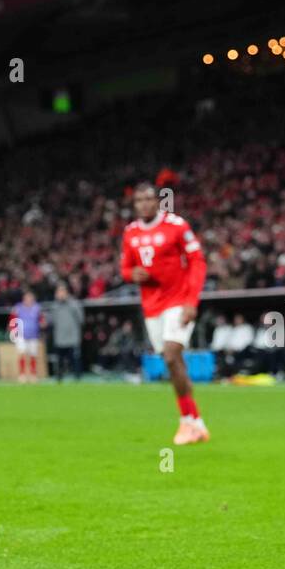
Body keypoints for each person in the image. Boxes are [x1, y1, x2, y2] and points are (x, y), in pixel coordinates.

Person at [120, 182, 209, 443]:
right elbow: (125, 267)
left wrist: (192, 301)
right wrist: (131, 275)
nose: (144, 204)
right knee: (174, 364)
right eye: (139, 200)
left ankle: (185, 423)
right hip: (152, 307)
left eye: (149, 199)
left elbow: (197, 261)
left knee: (171, 356)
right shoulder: (130, 233)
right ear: (135, 204)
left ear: (158, 201)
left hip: (179, 301)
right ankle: (197, 422)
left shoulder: (177, 226)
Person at [51, 283, 84, 382]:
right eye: (58, 292)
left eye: (62, 291)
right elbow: (53, 321)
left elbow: (81, 319)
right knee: (59, 360)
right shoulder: (54, 306)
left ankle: (78, 379)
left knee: (75, 359)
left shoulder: (74, 304)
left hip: (72, 338)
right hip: (60, 338)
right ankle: (59, 379)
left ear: (67, 293)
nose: (60, 294)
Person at [10, 290, 45, 383]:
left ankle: (33, 374)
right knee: (22, 354)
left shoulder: (37, 308)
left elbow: (41, 320)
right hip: (21, 335)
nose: (29, 300)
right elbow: (13, 320)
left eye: (31, 298)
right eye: (27, 298)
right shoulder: (18, 308)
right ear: (24, 299)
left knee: (33, 355)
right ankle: (22, 374)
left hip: (33, 335)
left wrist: (42, 324)